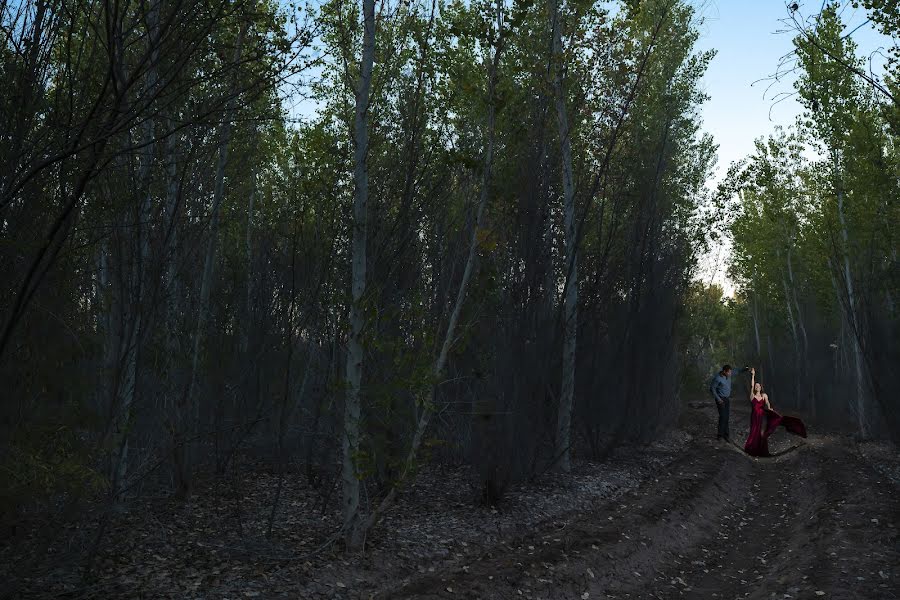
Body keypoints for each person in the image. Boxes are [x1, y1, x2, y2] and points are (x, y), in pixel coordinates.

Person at [743, 367, 807, 457]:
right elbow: (751, 385)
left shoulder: (764, 395)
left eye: (759, 386)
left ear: (761, 387)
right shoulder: (752, 396)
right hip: (754, 418)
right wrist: (753, 375)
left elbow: (768, 404)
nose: (757, 387)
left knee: (762, 433)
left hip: (763, 417)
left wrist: (770, 409)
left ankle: (763, 452)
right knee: (754, 432)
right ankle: (753, 450)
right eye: (756, 386)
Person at [709, 363, 749, 442]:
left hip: (727, 399)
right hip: (720, 399)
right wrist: (718, 399)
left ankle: (726, 435)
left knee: (726, 417)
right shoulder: (718, 378)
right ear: (724, 371)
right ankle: (720, 435)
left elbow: (738, 371)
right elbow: (712, 389)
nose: (730, 373)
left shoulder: (730, 374)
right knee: (722, 416)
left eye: (731, 372)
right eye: (729, 372)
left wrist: (746, 369)